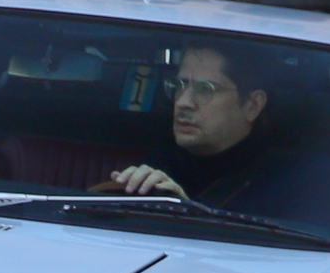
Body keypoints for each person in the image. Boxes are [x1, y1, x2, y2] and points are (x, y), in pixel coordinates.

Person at [106, 46, 292, 211]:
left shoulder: (293, 181)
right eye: (179, 85)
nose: (182, 102)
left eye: (205, 89)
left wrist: (188, 213)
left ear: (252, 105)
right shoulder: (159, 163)